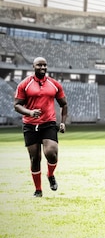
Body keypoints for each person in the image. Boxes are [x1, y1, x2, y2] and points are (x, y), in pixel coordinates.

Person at [13, 57, 68, 197]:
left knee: (51, 153)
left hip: (48, 123)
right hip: (30, 125)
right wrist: (30, 112)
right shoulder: (24, 84)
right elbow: (17, 105)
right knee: (35, 159)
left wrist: (62, 122)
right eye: (39, 65)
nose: (43, 67)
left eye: (45, 65)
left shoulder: (54, 84)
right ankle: (38, 190)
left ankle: (50, 175)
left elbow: (63, 104)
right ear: (33, 66)